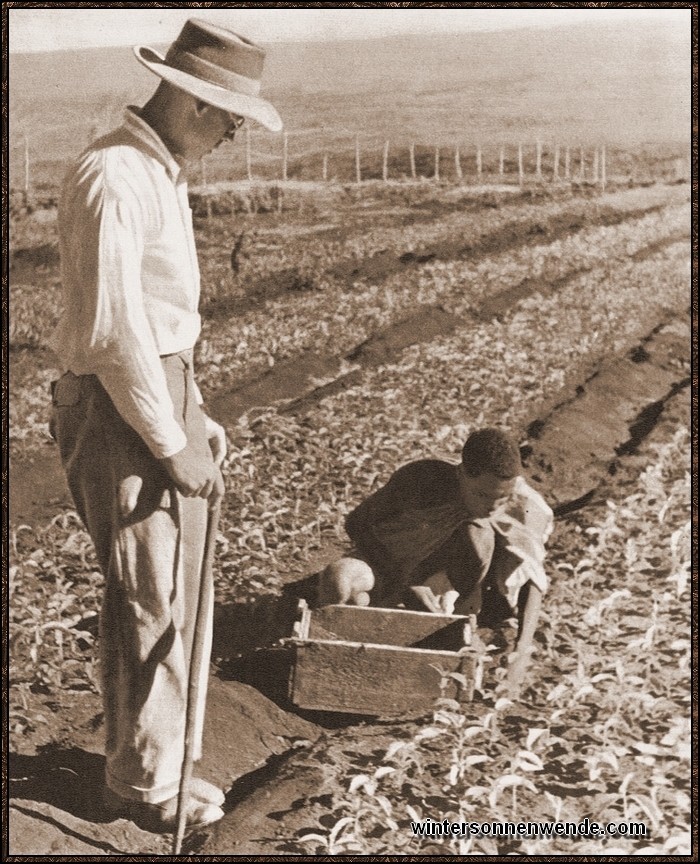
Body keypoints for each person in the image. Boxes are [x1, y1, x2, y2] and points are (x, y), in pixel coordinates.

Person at [49, 19, 282, 833]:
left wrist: (195, 412)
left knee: (178, 592)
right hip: (121, 408)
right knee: (149, 598)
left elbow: (158, 322)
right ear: (188, 99)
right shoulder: (116, 174)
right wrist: (169, 437)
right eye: (226, 118)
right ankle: (143, 786)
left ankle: (160, 762)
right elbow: (114, 334)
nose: (229, 134)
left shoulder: (159, 168)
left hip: (160, 392)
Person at [319, 428, 553, 697]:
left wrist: (520, 656)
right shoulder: (422, 481)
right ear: (462, 474)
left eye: (502, 498)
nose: (493, 506)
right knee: (338, 580)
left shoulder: (524, 505)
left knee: (479, 536)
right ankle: (330, 655)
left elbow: (533, 580)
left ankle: (437, 635)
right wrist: (404, 582)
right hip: (390, 565)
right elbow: (357, 524)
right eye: (482, 495)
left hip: (448, 587)